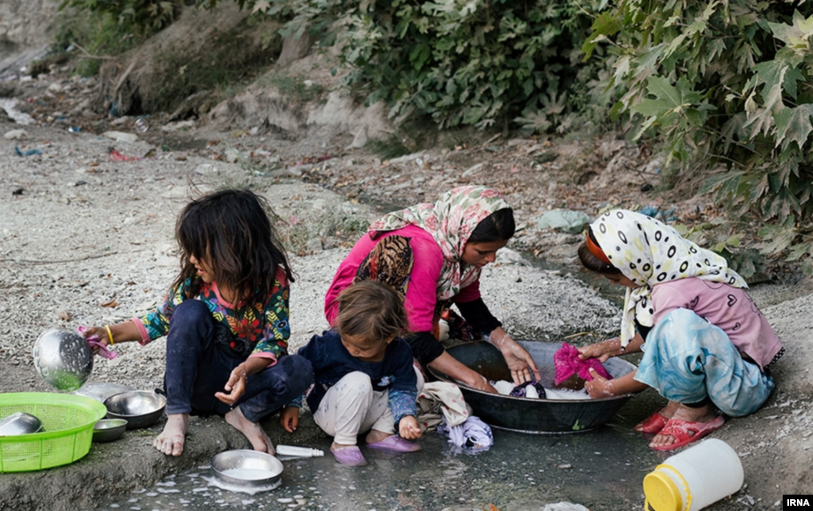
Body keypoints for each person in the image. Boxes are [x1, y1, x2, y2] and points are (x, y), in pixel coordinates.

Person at [84, 189, 313, 457]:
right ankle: (178, 416)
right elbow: (161, 319)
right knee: (188, 313)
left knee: (303, 367)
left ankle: (244, 416)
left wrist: (246, 371)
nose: (192, 259)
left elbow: (274, 341)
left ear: (230, 250)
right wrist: (108, 334)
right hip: (201, 388)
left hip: (245, 389)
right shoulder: (196, 280)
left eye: (199, 251)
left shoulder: (273, 280)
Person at [576, 209, 784, 451]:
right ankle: (683, 401)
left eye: (616, 279)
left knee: (677, 328)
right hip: (732, 371)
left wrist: (610, 389)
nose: (613, 284)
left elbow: (663, 358)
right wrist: (607, 348)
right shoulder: (674, 264)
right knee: (674, 332)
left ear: (635, 264)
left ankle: (697, 411)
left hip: (744, 389)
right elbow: (654, 337)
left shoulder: (670, 292)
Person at [324, 186, 541, 394]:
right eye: (484, 251)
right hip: (355, 314)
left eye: (496, 251)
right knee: (413, 377)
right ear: (462, 236)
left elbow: (469, 299)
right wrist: (476, 380)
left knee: (442, 352)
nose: (491, 259)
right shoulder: (425, 250)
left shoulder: (452, 241)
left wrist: (505, 343)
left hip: (401, 305)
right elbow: (414, 335)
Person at [281, 280, 422, 466]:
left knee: (415, 375)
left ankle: (381, 434)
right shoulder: (329, 344)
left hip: (368, 410)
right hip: (334, 416)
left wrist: (405, 416)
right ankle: (343, 443)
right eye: (346, 342)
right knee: (359, 380)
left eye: (362, 348)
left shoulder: (400, 351)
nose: (352, 351)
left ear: (389, 337)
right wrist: (293, 403)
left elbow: (403, 388)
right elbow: (300, 367)